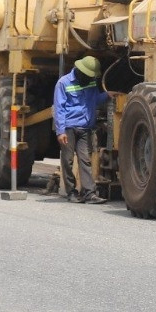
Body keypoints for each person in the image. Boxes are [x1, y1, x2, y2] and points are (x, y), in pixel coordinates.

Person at [53, 55, 109, 203]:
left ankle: (89, 194)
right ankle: (71, 192)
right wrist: (61, 131)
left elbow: (95, 99)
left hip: (85, 128)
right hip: (69, 128)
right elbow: (59, 108)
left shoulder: (90, 82)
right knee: (68, 160)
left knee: (85, 160)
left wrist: (108, 95)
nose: (90, 78)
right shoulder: (63, 83)